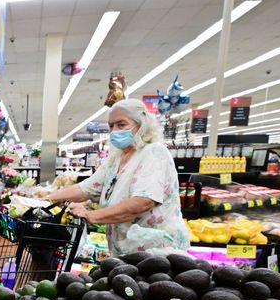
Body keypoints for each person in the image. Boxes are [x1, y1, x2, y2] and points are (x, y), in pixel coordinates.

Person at [45, 98, 189, 256]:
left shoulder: (154, 152)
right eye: (111, 126)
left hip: (155, 252)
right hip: (124, 251)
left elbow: (143, 201)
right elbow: (86, 188)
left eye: (121, 124)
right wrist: (45, 199)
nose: (114, 131)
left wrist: (92, 215)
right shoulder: (116, 159)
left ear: (141, 125)